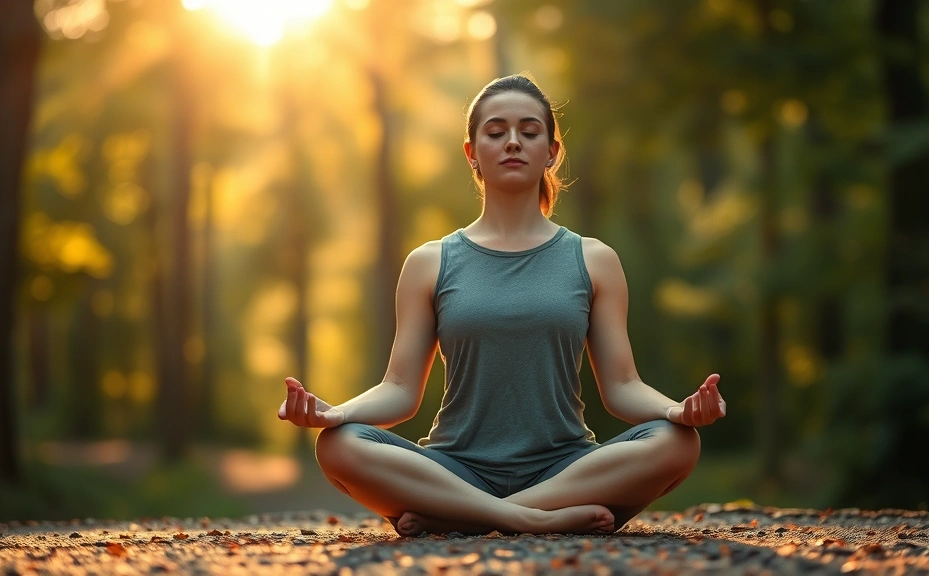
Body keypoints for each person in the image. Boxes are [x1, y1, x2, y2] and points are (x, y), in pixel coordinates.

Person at [277, 74, 726, 537]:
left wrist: (676, 412)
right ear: (472, 152)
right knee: (337, 446)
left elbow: (622, 386)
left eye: (529, 132)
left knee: (677, 444)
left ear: (551, 150)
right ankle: (525, 519)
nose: (513, 142)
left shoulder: (594, 260)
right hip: (454, 468)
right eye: (496, 132)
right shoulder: (430, 262)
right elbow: (399, 390)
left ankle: (460, 517)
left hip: (566, 470)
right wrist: (337, 415)